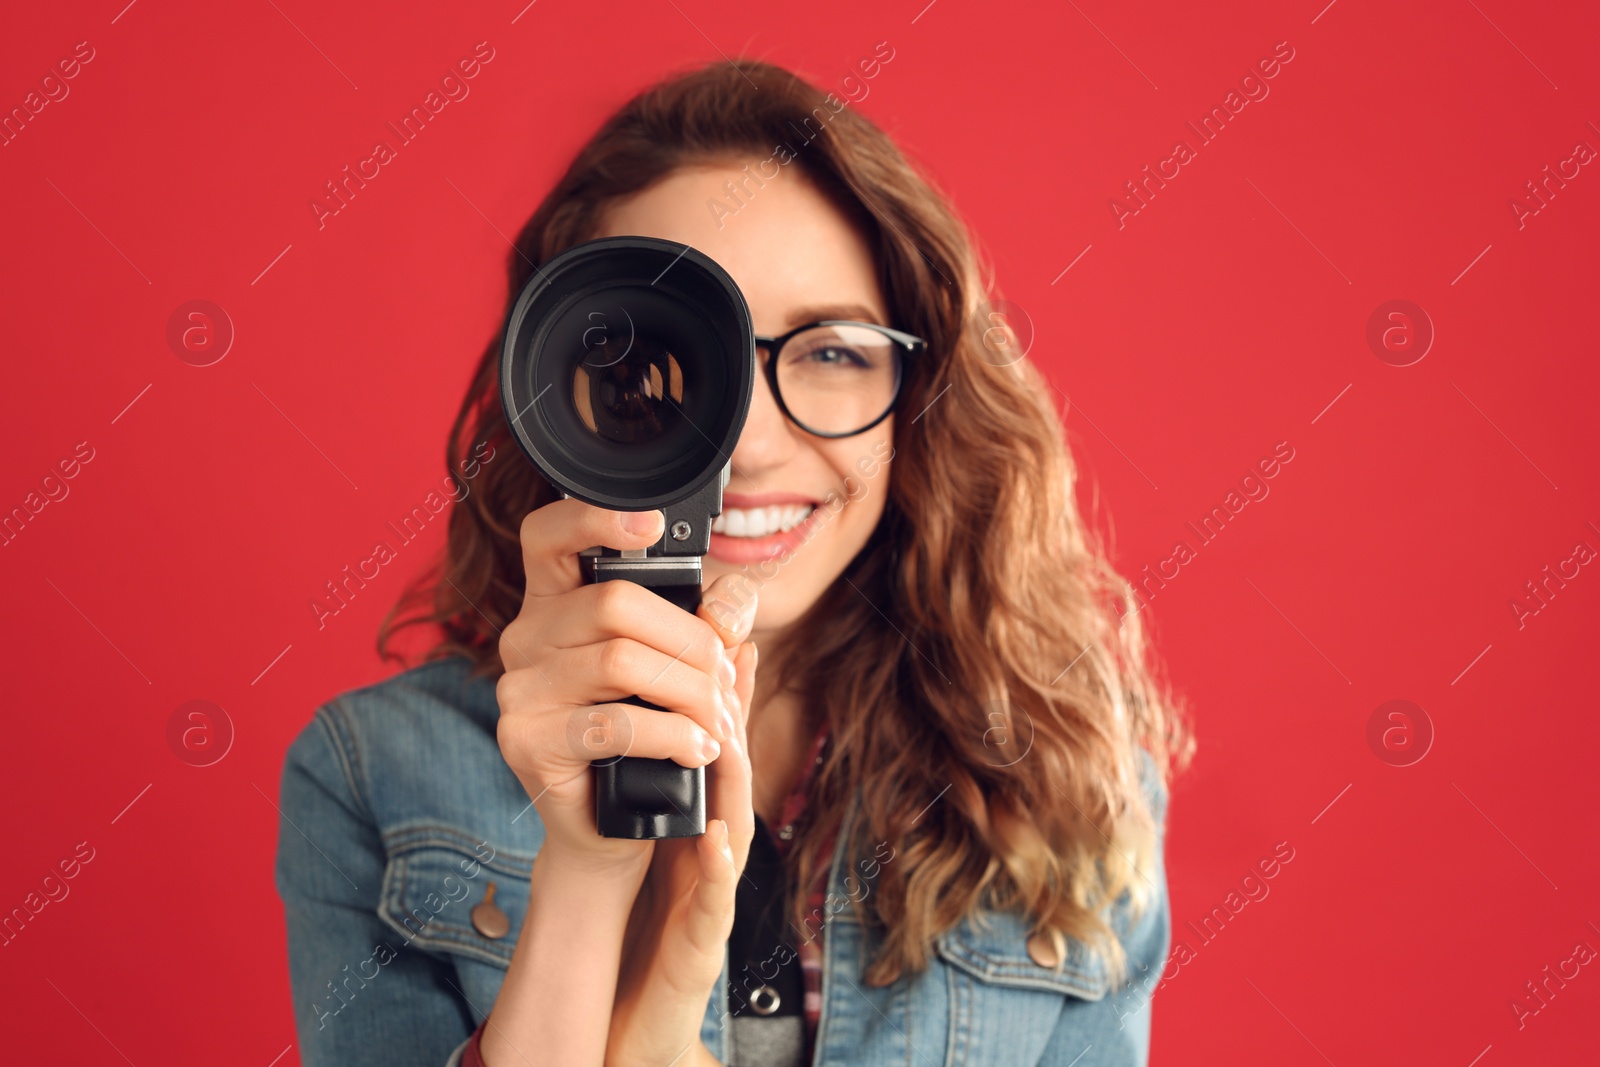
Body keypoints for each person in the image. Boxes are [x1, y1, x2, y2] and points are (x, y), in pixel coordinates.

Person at [274, 56, 1193, 1067]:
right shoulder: (375, 774)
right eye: (665, 355)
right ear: (564, 387)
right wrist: (586, 878)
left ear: (922, 395)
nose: (747, 443)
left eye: (832, 349)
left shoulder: (1066, 785)